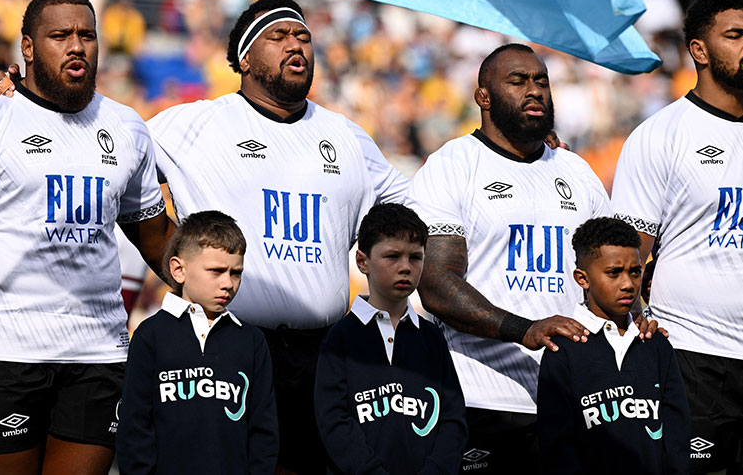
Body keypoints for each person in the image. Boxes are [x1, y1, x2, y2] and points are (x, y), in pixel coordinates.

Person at [0, 0, 411, 473]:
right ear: (244, 57)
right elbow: (98, 148)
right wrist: (17, 99)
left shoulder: (347, 136)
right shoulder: (193, 124)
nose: (296, 45)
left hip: (324, 351)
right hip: (230, 344)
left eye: (304, 37)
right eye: (279, 36)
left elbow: (416, 211)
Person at [0, 0, 175, 475]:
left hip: (99, 355)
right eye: (60, 35)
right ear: (29, 47)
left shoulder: (126, 127)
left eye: (87, 35)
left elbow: (156, 238)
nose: (77, 46)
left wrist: (216, 285)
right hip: (4, 352)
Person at [411, 43, 655, 473]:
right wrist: (526, 330)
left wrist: (637, 321)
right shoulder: (452, 165)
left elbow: (615, 269)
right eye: (518, 81)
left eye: (541, 80)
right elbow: (435, 284)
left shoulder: (576, 171)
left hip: (577, 398)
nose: (535, 90)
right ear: (483, 97)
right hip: (481, 399)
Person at [610, 0, 743, 473]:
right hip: (695, 359)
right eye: (735, 35)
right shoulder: (660, 136)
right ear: (699, 50)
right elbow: (627, 255)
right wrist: (639, 329)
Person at [117, 210, 278, 474]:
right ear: (178, 270)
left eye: (236, 273)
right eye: (216, 271)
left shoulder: (251, 341)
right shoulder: (150, 335)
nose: (228, 283)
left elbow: (263, 431)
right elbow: (134, 427)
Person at [314, 203, 466, 475]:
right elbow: (333, 421)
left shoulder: (432, 338)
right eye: (393, 256)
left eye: (415, 257)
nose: (405, 267)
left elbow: (452, 419)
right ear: (362, 261)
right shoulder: (339, 338)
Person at [537, 216, 690, 474]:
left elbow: (676, 435)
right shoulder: (563, 350)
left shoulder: (655, 344)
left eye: (635, 272)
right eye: (613, 273)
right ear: (582, 278)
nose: (628, 284)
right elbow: (556, 445)